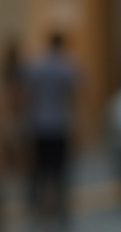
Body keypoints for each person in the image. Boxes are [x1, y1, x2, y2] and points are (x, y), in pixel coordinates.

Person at [24, 33, 79, 222]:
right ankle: (61, 208)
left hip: (40, 125)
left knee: (40, 170)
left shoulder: (38, 67)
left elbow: (29, 95)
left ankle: (38, 207)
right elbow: (74, 96)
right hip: (59, 125)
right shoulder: (66, 67)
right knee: (60, 171)